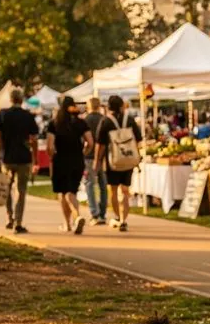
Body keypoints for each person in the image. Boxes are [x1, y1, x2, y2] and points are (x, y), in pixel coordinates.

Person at [0, 87, 39, 234]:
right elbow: (34, 139)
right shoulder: (28, 116)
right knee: (21, 190)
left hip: (7, 158)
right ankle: (18, 222)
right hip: (24, 158)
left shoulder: (2, 114)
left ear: (10, 99)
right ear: (22, 99)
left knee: (6, 188)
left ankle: (9, 218)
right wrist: (35, 159)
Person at [94, 95, 141, 233]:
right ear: (122, 106)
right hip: (129, 159)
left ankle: (117, 217)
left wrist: (97, 161)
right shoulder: (130, 120)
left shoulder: (106, 121)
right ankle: (124, 219)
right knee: (125, 190)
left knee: (113, 190)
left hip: (113, 161)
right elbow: (138, 139)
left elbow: (100, 144)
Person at [47, 96, 91, 235]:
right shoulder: (80, 122)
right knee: (72, 191)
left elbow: (50, 146)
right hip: (77, 160)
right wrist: (83, 152)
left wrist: (51, 157)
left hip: (61, 159)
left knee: (65, 193)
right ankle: (71, 222)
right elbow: (90, 142)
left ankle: (73, 219)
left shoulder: (54, 123)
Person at [82, 95, 107, 225]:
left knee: (90, 184)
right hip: (103, 157)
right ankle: (102, 213)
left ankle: (94, 213)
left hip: (89, 156)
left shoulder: (85, 120)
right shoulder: (104, 119)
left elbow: (83, 139)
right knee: (103, 185)